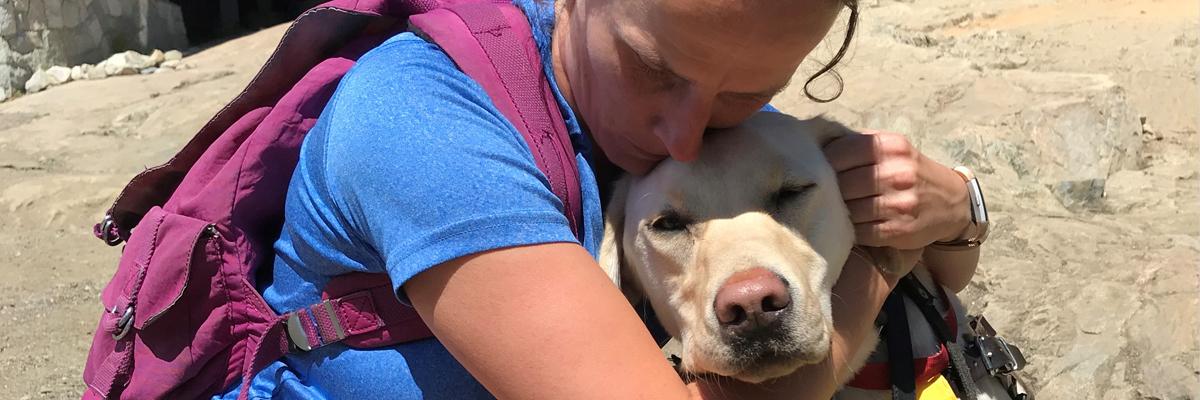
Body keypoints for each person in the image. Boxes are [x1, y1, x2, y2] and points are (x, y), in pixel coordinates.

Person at [218, 0, 983, 398]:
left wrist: (958, 210)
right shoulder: (423, 121)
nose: (686, 135)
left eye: (751, 91)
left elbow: (943, 273)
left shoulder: (732, 122)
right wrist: (884, 258)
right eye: (651, 69)